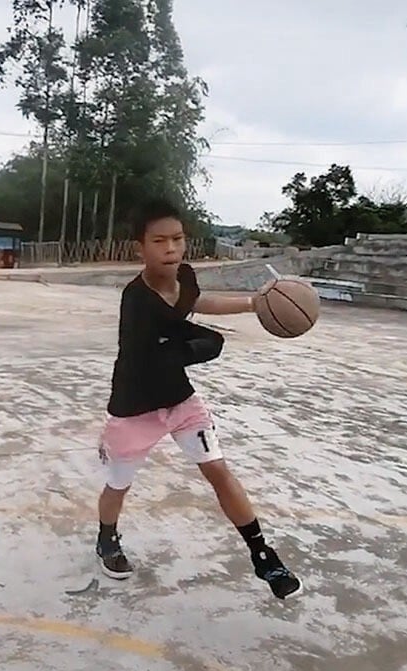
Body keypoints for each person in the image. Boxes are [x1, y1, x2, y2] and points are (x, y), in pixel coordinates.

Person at [94, 198, 302, 600]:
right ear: (141, 247)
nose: (170, 248)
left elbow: (198, 302)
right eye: (159, 241)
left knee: (219, 470)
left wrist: (252, 304)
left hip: (180, 402)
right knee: (118, 485)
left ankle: (263, 556)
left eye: (177, 239)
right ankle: (106, 539)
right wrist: (201, 345)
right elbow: (164, 351)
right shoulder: (136, 301)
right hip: (135, 406)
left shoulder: (183, 278)